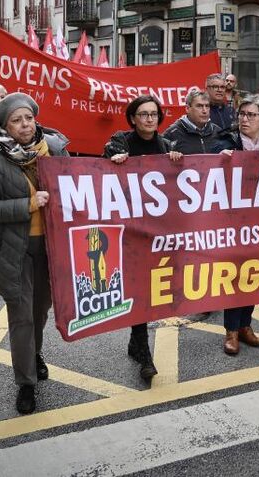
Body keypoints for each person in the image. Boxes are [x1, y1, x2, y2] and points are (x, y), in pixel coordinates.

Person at [0, 93, 69, 414]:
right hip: (15, 251)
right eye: (16, 120)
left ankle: (34, 354)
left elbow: (81, 184)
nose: (25, 125)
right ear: (4, 125)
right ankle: (26, 383)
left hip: (50, 250)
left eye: (28, 117)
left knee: (40, 312)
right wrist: (28, 204)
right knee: (22, 318)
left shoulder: (54, 149)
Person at [104, 95, 183, 382]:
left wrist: (177, 163)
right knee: (137, 288)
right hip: (129, 230)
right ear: (133, 118)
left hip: (157, 231)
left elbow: (179, 184)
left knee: (149, 288)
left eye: (153, 114)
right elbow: (100, 172)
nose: (149, 119)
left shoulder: (167, 146)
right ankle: (145, 354)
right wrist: (113, 161)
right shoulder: (120, 142)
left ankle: (135, 343)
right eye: (143, 114)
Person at [214, 94, 259, 354]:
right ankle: (231, 331)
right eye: (241, 114)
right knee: (236, 274)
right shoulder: (228, 141)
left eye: (250, 115)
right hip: (233, 221)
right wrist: (218, 156)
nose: (244, 119)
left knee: (254, 273)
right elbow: (206, 163)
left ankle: (245, 325)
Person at [162, 89, 222, 154]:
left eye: (207, 106)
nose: (205, 111)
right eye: (199, 106)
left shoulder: (217, 131)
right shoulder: (172, 134)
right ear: (187, 109)